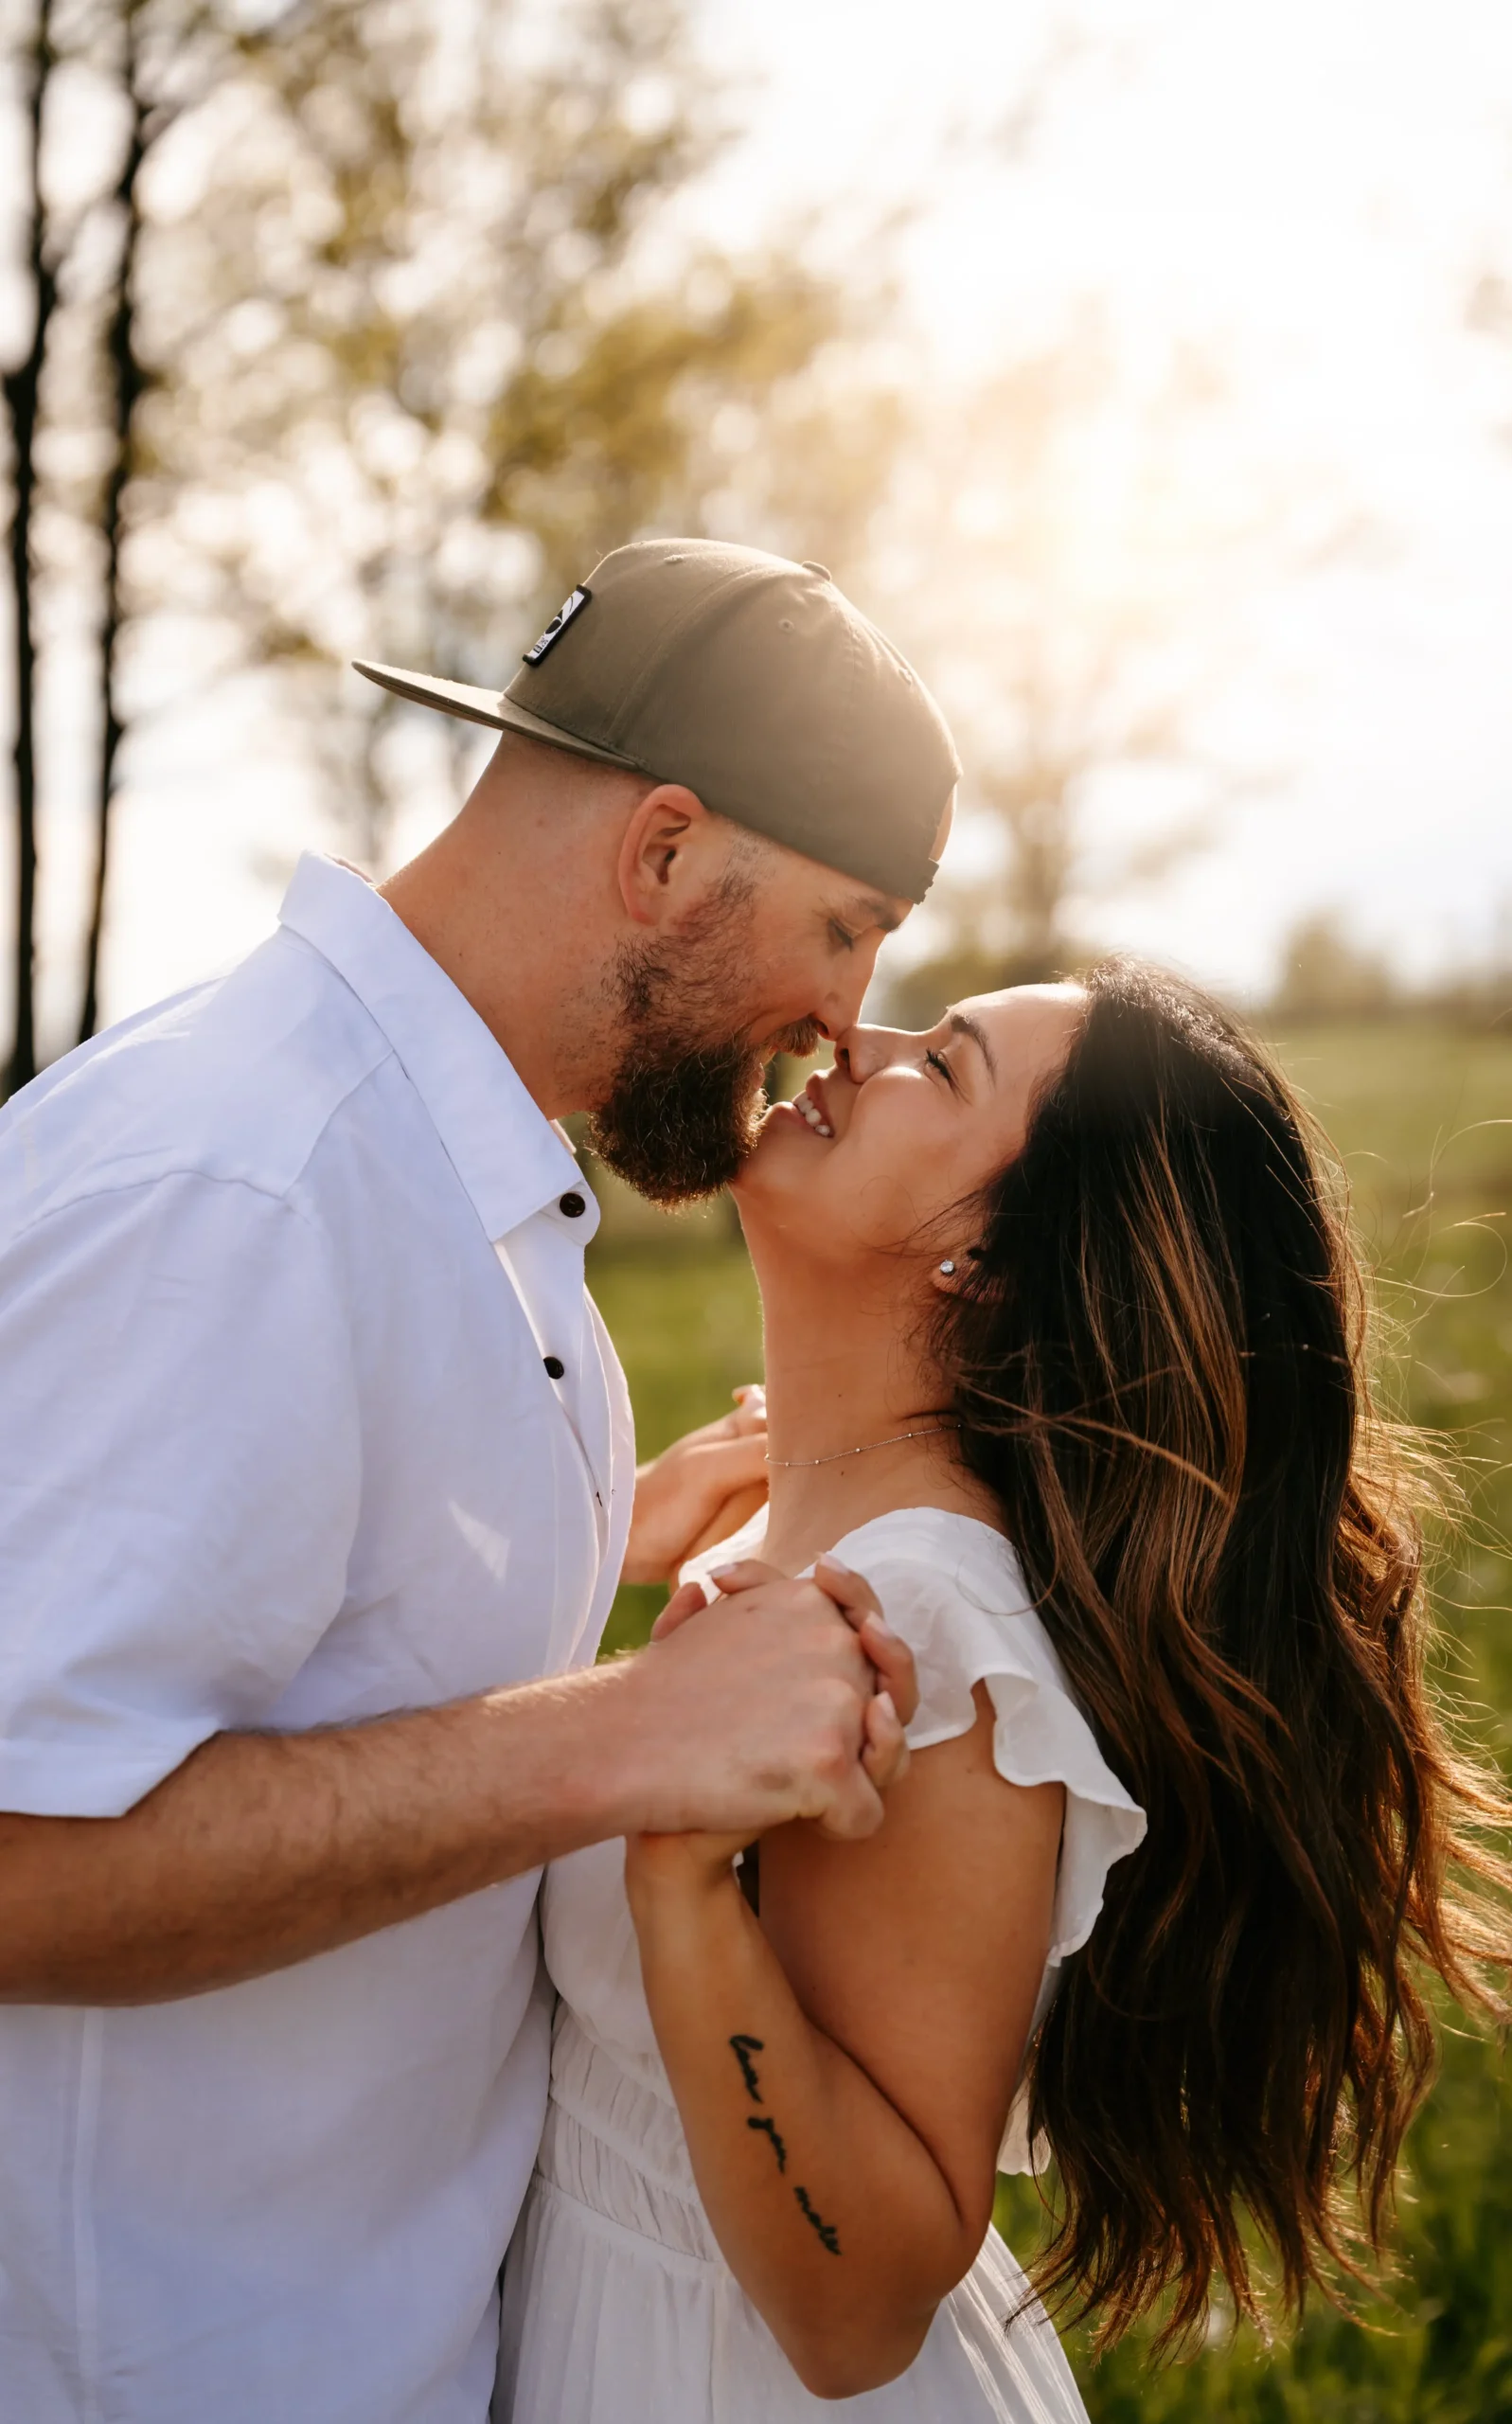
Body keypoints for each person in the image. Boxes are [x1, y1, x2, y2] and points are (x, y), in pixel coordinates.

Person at [0, 540, 958, 2424]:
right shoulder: (249, 1184)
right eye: (847, 926)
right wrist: (623, 1730)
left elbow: (276, 1653)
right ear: (664, 853)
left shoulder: (444, 1168)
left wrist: (579, 1544)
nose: (850, 1019)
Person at [498, 960, 1512, 2422]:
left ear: (986, 1258)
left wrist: (680, 1879)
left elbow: (857, 2309)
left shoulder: (927, 1629)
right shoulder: (796, 1557)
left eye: (946, 1063)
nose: (863, 1032)